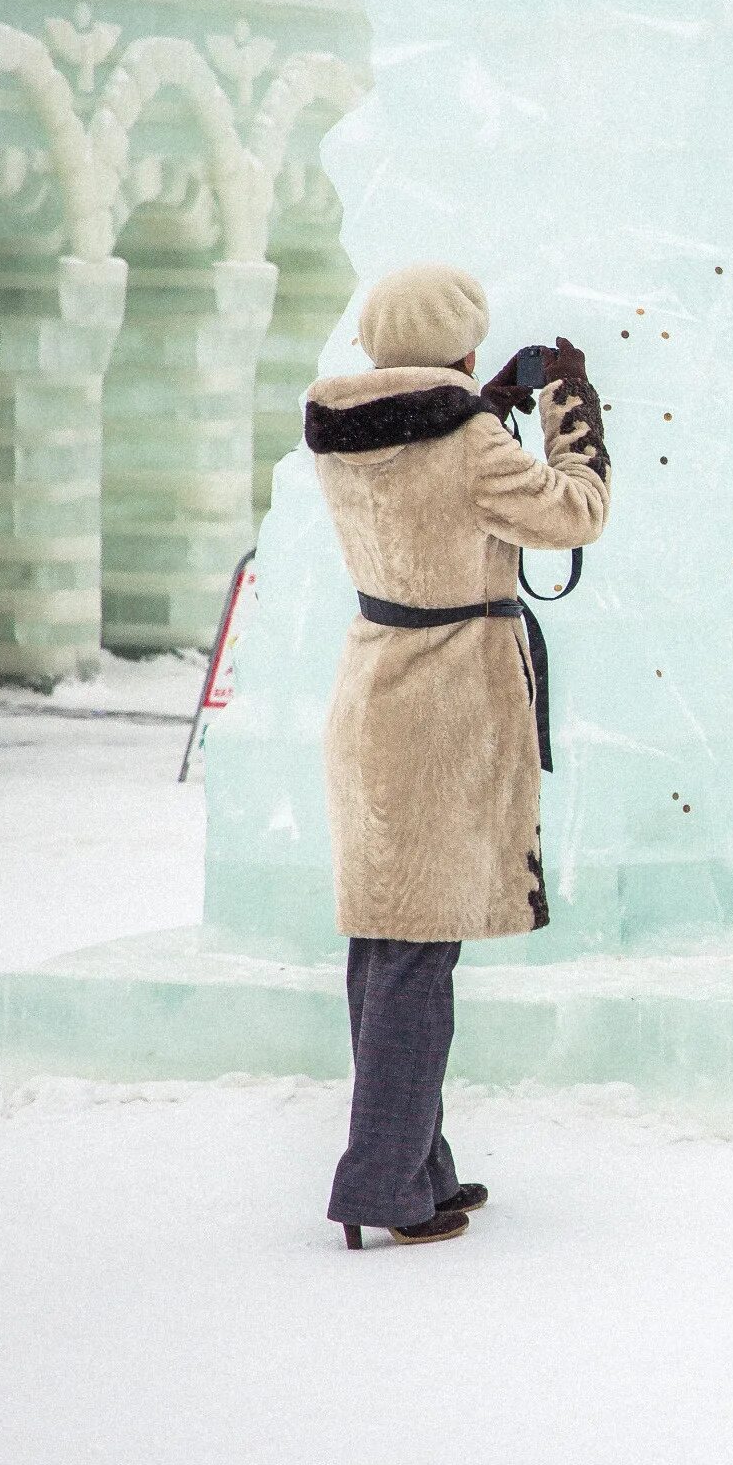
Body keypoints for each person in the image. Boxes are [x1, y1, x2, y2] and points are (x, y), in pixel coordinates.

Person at [303, 265, 609, 1250]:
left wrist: (477, 404)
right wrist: (569, 412)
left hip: (374, 685)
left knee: (386, 943)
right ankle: (385, 1182)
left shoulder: (347, 430)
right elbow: (575, 513)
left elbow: (425, 464)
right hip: (445, 709)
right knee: (418, 956)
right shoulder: (470, 441)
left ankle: (414, 1164)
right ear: (463, 346)